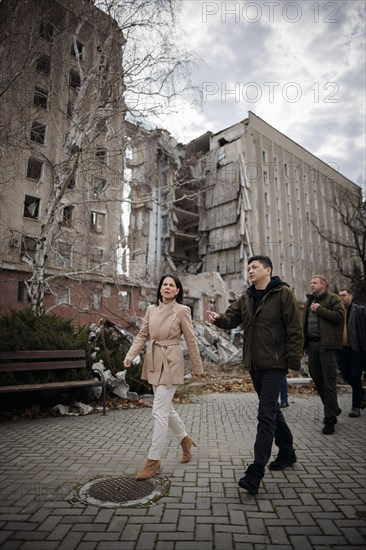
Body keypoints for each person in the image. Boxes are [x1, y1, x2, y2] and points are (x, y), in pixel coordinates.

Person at [207, 255, 303, 495]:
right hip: (254, 363)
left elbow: (294, 328)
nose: (250, 271)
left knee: (265, 415)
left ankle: (255, 471)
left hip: (275, 363)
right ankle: (288, 450)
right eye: (248, 267)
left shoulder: (283, 294)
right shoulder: (246, 297)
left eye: (254, 267)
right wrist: (218, 319)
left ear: (268, 270)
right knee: (270, 409)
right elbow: (231, 319)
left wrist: (293, 362)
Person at [123, 274, 204, 480]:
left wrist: (197, 366)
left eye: (172, 285)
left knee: (159, 410)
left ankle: (153, 460)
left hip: (171, 362)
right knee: (165, 408)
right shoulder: (151, 310)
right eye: (165, 284)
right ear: (160, 289)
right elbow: (142, 335)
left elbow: (191, 340)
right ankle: (184, 439)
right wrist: (130, 355)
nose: (167, 287)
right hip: (153, 360)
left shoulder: (182, 310)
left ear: (177, 290)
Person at [303, 275, 344, 435]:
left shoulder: (333, 299)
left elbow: (340, 317)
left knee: (329, 382)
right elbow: (304, 323)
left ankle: (330, 419)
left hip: (327, 346)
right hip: (312, 345)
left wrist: (319, 310)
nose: (311, 285)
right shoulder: (309, 301)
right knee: (318, 380)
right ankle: (333, 407)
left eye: (314, 283)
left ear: (323, 284)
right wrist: (303, 344)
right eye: (311, 282)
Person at [338, 288, 366, 417]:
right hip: (342, 349)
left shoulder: (359, 311)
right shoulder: (338, 311)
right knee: (345, 375)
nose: (341, 298)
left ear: (350, 296)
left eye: (343, 295)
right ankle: (362, 393)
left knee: (355, 376)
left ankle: (356, 407)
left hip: (356, 349)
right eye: (339, 296)